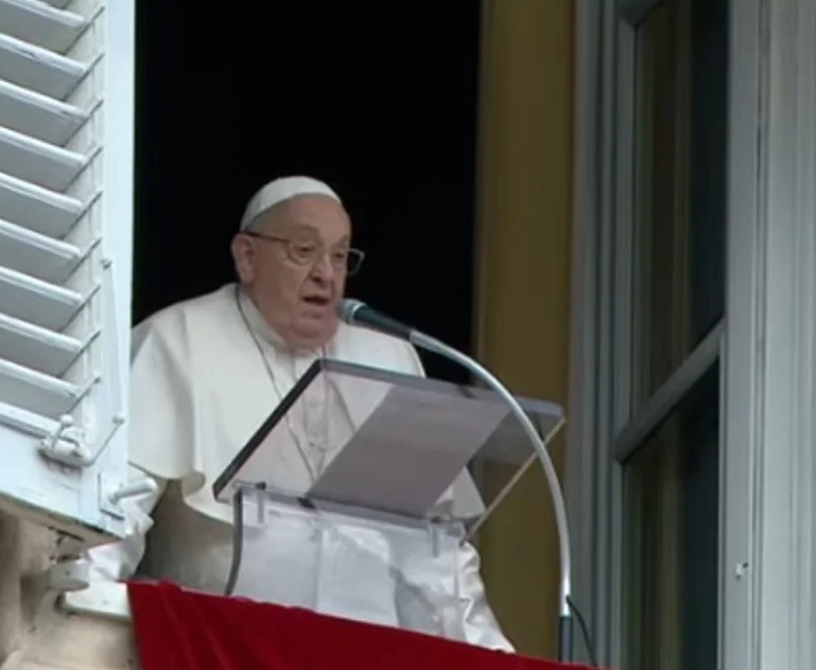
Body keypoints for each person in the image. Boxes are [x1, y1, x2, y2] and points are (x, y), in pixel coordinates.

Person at [83, 175, 512, 651]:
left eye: (339, 255)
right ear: (247, 257)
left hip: (369, 651)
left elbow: (435, 551)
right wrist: (81, 618)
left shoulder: (389, 359)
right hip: (224, 645)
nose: (325, 275)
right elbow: (115, 510)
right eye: (303, 251)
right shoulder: (177, 341)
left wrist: (490, 653)